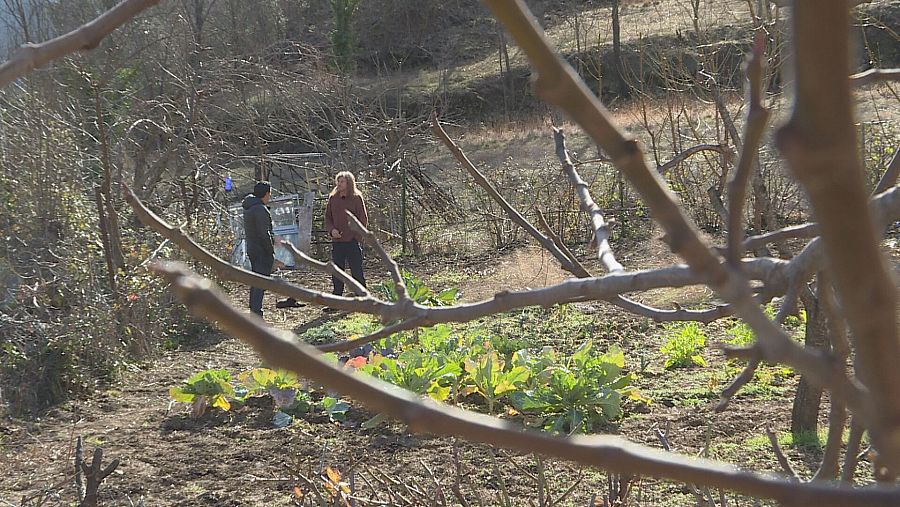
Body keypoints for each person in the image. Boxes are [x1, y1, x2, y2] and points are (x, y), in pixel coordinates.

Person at [324, 171, 368, 298]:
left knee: (356, 270)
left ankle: (363, 297)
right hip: (337, 241)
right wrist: (332, 230)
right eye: (338, 181)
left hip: (352, 240)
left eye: (342, 181)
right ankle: (337, 297)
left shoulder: (356, 198)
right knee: (337, 271)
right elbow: (328, 217)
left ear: (349, 183)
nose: (339, 184)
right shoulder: (333, 198)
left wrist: (357, 235)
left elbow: (363, 218)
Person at [243, 181, 274, 318]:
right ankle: (256, 312)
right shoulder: (260, 209)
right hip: (261, 250)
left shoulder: (249, 207)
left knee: (255, 280)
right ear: (266, 194)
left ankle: (254, 309)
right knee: (261, 281)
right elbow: (264, 233)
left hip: (252, 248)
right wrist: (270, 250)